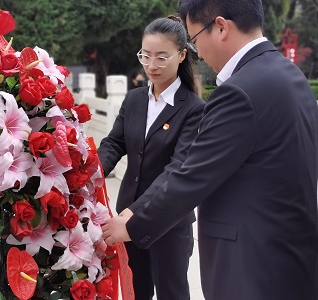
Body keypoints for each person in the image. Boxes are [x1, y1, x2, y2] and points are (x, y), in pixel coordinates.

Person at [102, 1, 318, 299]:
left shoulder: (239, 92)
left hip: (252, 265)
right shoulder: (291, 76)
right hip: (290, 257)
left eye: (194, 39)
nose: (198, 52)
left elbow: (190, 175)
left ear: (220, 27)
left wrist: (132, 224)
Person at [97, 15, 204, 300]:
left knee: (173, 293)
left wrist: (135, 214)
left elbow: (176, 169)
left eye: (161, 57)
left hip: (168, 221)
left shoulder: (193, 109)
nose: (151, 65)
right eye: (146, 55)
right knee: (135, 292)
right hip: (127, 218)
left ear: (181, 55)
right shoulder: (134, 100)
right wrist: (90, 171)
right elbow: (114, 143)